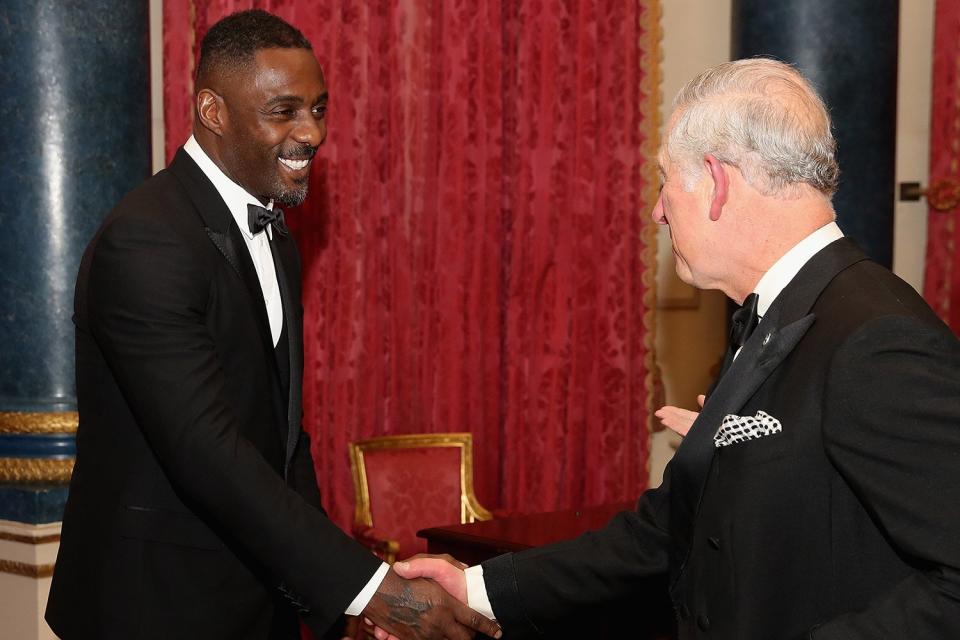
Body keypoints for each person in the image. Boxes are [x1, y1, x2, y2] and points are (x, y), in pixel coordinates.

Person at [387, 58, 960, 639]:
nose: (657, 209)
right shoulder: (772, 314)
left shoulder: (876, 340)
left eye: (664, 180)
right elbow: (669, 529)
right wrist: (479, 589)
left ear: (717, 182)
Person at [45, 10, 501, 640]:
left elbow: (284, 444)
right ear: (213, 111)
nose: (311, 132)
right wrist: (374, 593)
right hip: (156, 607)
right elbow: (209, 454)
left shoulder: (275, 231)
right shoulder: (146, 240)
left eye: (318, 107)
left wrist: (334, 601)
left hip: (259, 603)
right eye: (283, 111)